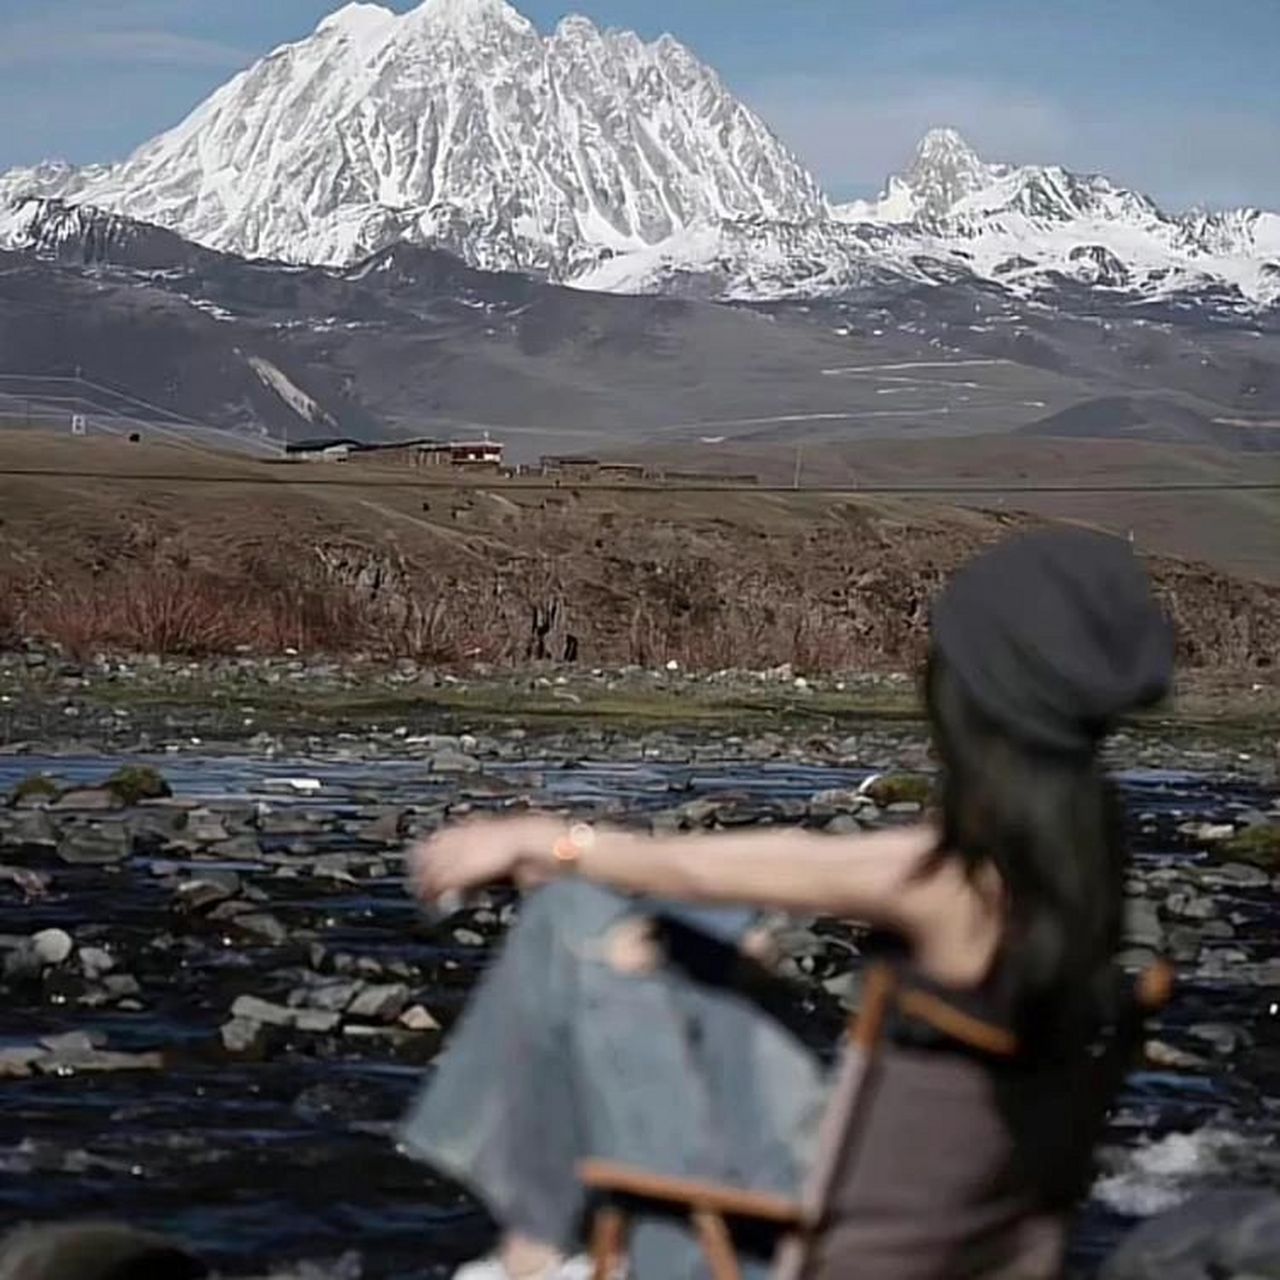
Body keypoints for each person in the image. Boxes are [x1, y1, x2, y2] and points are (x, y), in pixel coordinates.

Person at [399, 528, 1175, 1280]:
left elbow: (809, 864)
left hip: (816, 1247)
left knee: (570, 921)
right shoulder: (1082, 858)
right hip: (947, 1231)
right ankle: (531, 1245)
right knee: (680, 930)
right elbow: (802, 867)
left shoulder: (950, 883)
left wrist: (557, 842)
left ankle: (530, 1255)